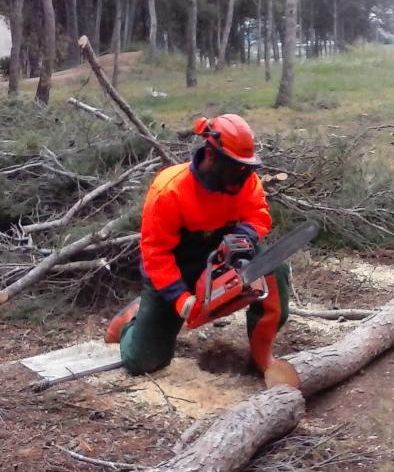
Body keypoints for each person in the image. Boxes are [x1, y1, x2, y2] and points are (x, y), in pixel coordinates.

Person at [104, 114, 289, 377]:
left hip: (223, 257)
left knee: (274, 270)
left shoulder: (244, 179)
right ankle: (131, 320)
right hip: (176, 268)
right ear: (212, 156)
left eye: (243, 168)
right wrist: (181, 299)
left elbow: (258, 213)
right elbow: (156, 255)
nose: (240, 176)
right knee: (142, 362)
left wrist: (244, 236)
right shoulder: (170, 191)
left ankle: (262, 354)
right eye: (233, 167)